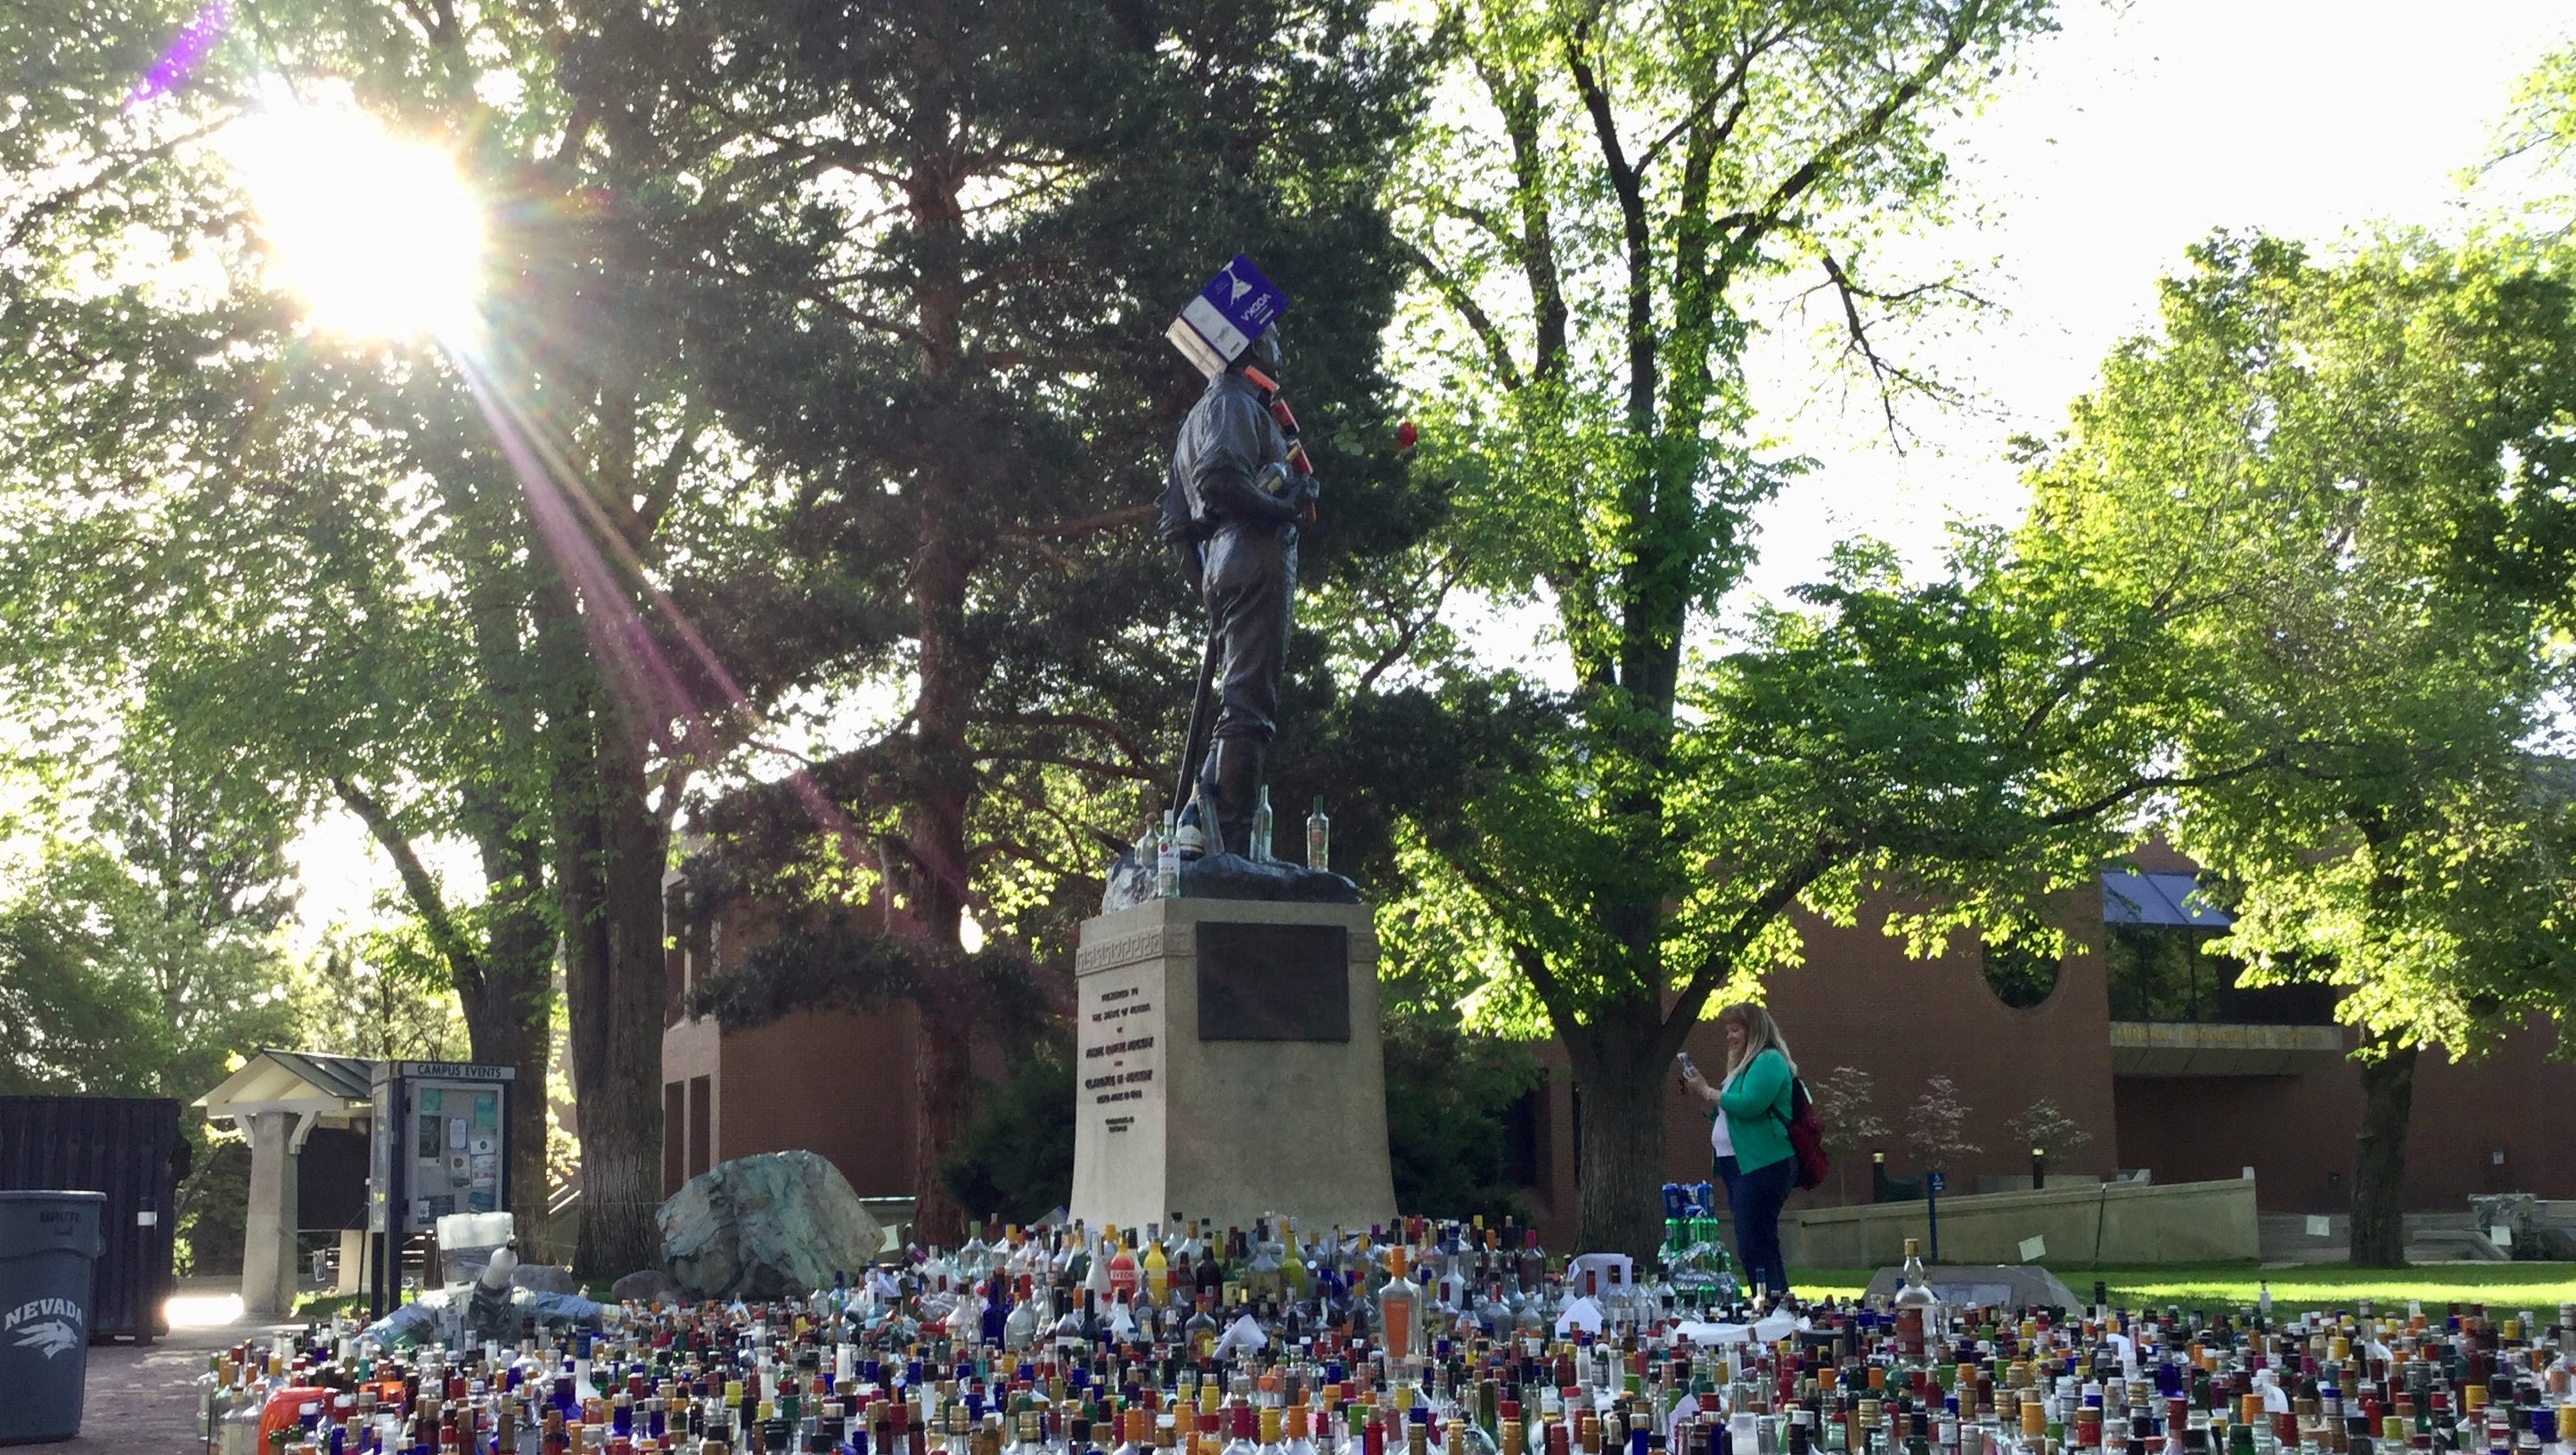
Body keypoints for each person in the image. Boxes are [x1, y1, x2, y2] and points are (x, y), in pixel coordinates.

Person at [1155, 322, 1314, 856]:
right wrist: (1283, 506)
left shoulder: (1198, 419)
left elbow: (1176, 527)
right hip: (1254, 552)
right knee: (1251, 708)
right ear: (1245, 345)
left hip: (1224, 563)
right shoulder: (1233, 400)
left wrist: (1208, 587)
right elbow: (1220, 478)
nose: (1281, 348)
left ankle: (1199, 823)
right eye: (1273, 336)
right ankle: (1233, 849)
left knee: (1240, 702)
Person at [1678, 1002, 1796, 1302]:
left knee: (1751, 1239)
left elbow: (1749, 1104)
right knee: (1759, 1237)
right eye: (1728, 1031)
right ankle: (1775, 1298)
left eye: (1736, 1030)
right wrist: (1703, 1099)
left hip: (1763, 1163)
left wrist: (1708, 1091)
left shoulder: (1768, 1060)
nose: (1730, 1037)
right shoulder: (1741, 1068)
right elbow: (1725, 1113)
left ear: (1754, 1031)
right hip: (1738, 1165)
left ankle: (1766, 1298)